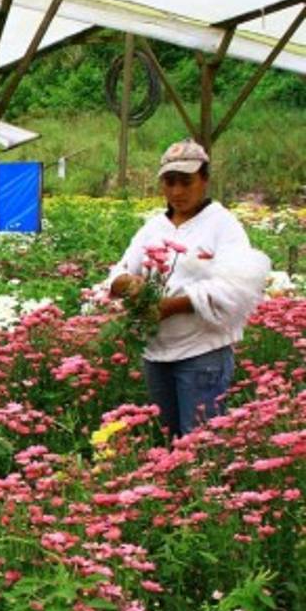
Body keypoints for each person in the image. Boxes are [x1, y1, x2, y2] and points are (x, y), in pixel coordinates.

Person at [108, 139, 269, 438]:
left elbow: (236, 288)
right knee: (168, 442)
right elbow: (119, 272)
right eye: (169, 182)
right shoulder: (154, 227)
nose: (177, 191)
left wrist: (172, 306)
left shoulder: (222, 225)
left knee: (199, 446)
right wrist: (128, 285)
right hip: (156, 353)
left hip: (202, 353)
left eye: (186, 181)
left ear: (205, 180)